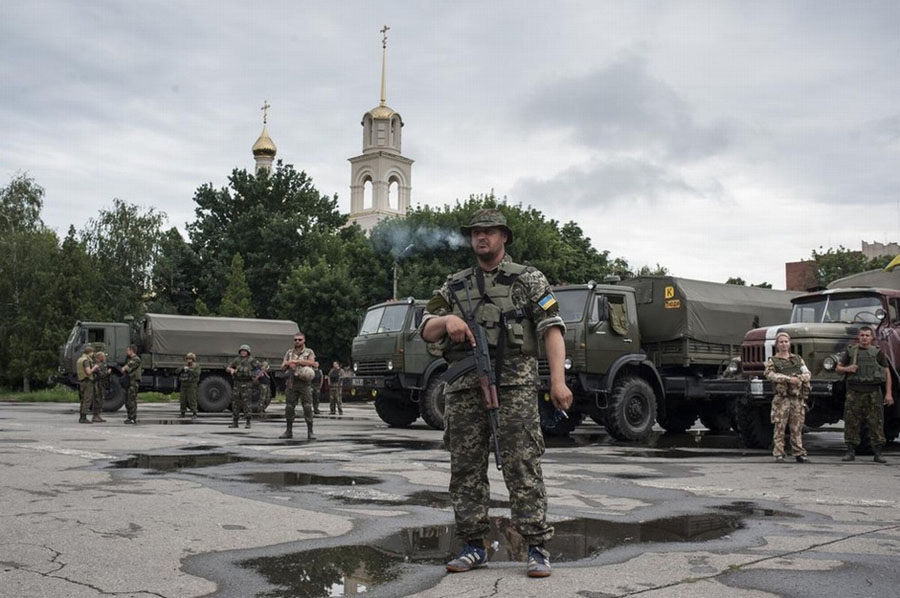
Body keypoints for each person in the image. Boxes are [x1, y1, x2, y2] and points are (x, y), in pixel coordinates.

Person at [420, 208, 572, 578]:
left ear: (504, 236)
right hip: (463, 389)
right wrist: (447, 320)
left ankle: (536, 546)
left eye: (488, 231)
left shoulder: (528, 279)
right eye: (475, 232)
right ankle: (474, 545)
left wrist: (557, 381)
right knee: (465, 469)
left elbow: (552, 328)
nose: (480, 237)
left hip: (515, 387)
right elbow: (425, 328)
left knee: (522, 465)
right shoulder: (454, 285)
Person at [836, 325, 894, 463]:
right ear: (858, 337)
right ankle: (850, 451)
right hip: (854, 392)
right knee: (851, 422)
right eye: (862, 335)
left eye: (867, 335)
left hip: (873, 392)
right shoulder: (850, 352)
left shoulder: (878, 352)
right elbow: (838, 368)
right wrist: (847, 368)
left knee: (876, 422)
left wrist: (889, 394)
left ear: (872, 337)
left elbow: (887, 372)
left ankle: (878, 452)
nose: (864, 338)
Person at [764, 332, 811, 463]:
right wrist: (789, 379)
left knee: (797, 426)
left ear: (789, 343)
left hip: (796, 398)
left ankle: (799, 453)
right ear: (777, 344)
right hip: (782, 398)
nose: (784, 344)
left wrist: (799, 379)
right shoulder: (773, 361)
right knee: (780, 426)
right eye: (781, 342)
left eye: (786, 341)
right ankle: (779, 453)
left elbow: (807, 373)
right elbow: (770, 375)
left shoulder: (797, 359)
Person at [281, 332, 319, 439]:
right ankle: (288, 431)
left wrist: (296, 362)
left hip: (304, 383)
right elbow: (283, 366)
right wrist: (288, 364)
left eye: (299, 339)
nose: (297, 341)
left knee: (307, 406)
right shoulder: (289, 352)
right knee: (289, 407)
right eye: (295, 340)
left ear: (304, 341)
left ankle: (310, 431)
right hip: (291, 382)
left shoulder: (309, 352)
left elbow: (312, 363)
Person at [226, 344, 258, 429]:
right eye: (242, 351)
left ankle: (248, 421)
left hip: (247, 383)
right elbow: (228, 367)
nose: (243, 352)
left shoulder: (252, 360)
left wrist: (254, 375)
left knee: (246, 403)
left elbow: (259, 369)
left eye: (245, 351)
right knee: (235, 403)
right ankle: (235, 421)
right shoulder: (236, 360)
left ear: (248, 352)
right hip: (237, 383)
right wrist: (231, 369)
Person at [75, 346, 97, 424]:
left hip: (81, 381)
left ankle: (81, 416)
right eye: (92, 353)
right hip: (87, 381)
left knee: (83, 400)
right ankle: (84, 417)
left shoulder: (79, 360)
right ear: (89, 352)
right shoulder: (86, 361)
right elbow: (88, 372)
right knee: (87, 400)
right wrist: (94, 368)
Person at [121, 345, 142, 424]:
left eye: (128, 350)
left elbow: (128, 368)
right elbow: (125, 368)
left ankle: (132, 418)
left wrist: (125, 368)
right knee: (128, 400)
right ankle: (129, 417)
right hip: (129, 382)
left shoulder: (136, 359)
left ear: (132, 350)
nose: (127, 352)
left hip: (133, 382)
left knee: (131, 400)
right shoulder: (130, 359)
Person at [179, 353, 200, 418]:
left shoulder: (196, 366)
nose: (188, 360)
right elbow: (177, 371)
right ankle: (182, 413)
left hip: (192, 384)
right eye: (187, 359)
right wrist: (182, 368)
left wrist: (189, 370)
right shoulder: (184, 365)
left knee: (192, 399)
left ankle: (194, 413)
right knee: (183, 399)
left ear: (193, 359)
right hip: (184, 384)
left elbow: (197, 373)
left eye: (190, 359)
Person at [91, 351, 109, 423]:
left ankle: (98, 415)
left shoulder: (100, 365)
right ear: (100, 357)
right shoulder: (98, 365)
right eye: (103, 356)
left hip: (101, 385)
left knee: (100, 400)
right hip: (98, 385)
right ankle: (95, 416)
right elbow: (100, 375)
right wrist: (107, 373)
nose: (105, 358)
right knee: (97, 400)